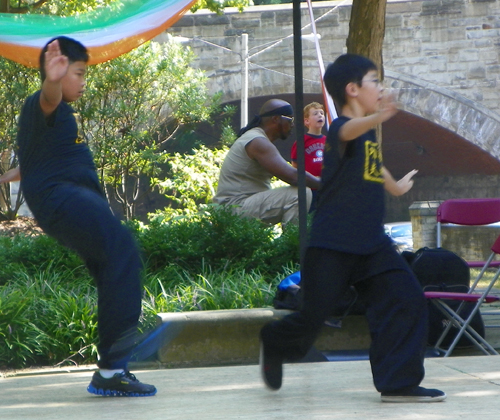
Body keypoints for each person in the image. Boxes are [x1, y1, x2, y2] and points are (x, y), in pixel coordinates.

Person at [259, 54, 446, 403]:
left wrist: (398, 186)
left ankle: (398, 382)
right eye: (375, 81)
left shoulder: (368, 138)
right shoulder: (338, 129)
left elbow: (376, 169)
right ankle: (275, 340)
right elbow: (345, 132)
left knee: (406, 300)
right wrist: (379, 116)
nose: (381, 87)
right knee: (312, 320)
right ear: (352, 89)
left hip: (372, 245)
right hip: (334, 244)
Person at [1, 36, 156, 397]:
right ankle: (112, 369)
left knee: (114, 267)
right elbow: (47, 98)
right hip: (63, 198)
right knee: (122, 251)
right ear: (56, 69)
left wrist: (17, 171)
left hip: (68, 198)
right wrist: (52, 80)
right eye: (80, 72)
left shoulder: (60, 117)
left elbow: (42, 152)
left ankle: (113, 367)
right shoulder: (43, 102)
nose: (85, 81)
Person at [213, 99, 321, 227]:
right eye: (290, 119)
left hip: (239, 206)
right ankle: (292, 244)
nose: (292, 125)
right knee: (300, 193)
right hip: (233, 208)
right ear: (276, 119)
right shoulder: (257, 141)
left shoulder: (257, 138)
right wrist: (328, 183)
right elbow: (293, 176)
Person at [290, 102, 326, 212]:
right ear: (306, 121)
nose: (320, 115)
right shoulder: (302, 141)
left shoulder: (327, 140)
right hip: (309, 189)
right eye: (315, 113)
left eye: (322, 113)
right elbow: (295, 164)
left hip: (325, 187)